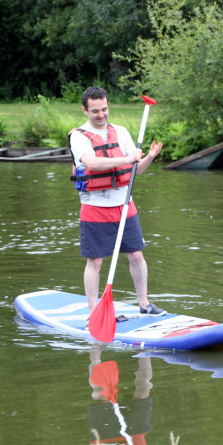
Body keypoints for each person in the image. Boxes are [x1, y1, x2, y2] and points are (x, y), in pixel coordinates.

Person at [69, 86, 164, 315]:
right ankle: (94, 310)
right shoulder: (79, 137)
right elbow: (91, 163)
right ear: (85, 111)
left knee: (136, 255)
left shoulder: (121, 132)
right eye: (95, 111)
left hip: (124, 205)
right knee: (96, 261)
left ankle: (144, 304)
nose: (101, 115)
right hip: (95, 206)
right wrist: (127, 158)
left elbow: (136, 170)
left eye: (104, 109)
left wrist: (149, 157)